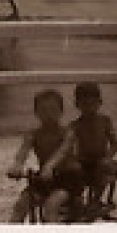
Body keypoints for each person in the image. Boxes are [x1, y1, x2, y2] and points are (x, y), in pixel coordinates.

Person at [50, 83, 117, 214]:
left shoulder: (105, 121)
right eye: (84, 105)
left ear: (99, 103)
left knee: (103, 166)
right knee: (72, 169)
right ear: (77, 105)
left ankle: (96, 200)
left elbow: (115, 144)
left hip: (102, 160)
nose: (88, 108)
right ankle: (76, 199)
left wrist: (109, 156)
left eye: (92, 104)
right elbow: (67, 145)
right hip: (84, 161)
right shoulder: (75, 125)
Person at [7, 89, 74, 222]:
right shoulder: (33, 134)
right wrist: (17, 165)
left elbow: (62, 152)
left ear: (61, 112)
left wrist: (49, 166)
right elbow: (23, 151)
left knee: (51, 207)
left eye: (53, 110)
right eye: (43, 110)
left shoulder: (67, 134)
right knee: (21, 205)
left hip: (66, 180)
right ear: (36, 113)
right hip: (44, 179)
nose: (48, 114)